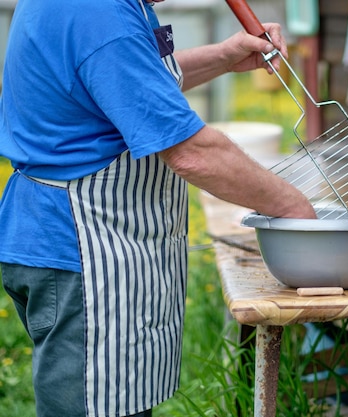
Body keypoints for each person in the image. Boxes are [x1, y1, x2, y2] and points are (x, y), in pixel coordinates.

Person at [0, 0, 316, 416]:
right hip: (82, 250)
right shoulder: (97, 12)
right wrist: (296, 207)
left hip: (81, 243)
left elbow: (125, 76)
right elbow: (191, 153)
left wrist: (223, 57)